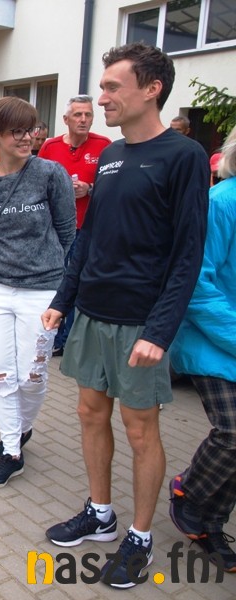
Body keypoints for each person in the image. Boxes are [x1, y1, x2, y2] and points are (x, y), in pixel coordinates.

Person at [42, 42, 209, 589]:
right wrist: (62, 301)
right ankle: (100, 512)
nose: (102, 98)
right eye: (103, 88)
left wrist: (160, 331)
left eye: (113, 87)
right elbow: (89, 237)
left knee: (140, 430)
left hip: (141, 321)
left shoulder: (183, 156)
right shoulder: (112, 155)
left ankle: (139, 536)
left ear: (152, 89)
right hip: (92, 311)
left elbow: (188, 253)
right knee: (90, 413)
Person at [0, 97, 75, 489]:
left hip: (41, 291)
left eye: (31, 129)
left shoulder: (50, 174)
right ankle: (12, 449)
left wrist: (55, 279)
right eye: (17, 131)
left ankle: (23, 427)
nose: (28, 137)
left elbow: (67, 233)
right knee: (0, 374)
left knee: (32, 375)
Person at [168, 125, 236, 573]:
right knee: (233, 433)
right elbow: (196, 283)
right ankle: (189, 492)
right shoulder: (221, 203)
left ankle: (209, 522)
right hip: (209, 338)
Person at [38, 95, 111, 356]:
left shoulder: (104, 146)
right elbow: (37, 183)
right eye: (78, 115)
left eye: (88, 115)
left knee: (80, 282)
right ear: (66, 119)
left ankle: (71, 339)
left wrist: (89, 188)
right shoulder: (51, 146)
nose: (83, 120)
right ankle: (53, 335)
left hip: (89, 228)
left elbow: (113, 186)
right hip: (56, 229)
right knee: (56, 281)